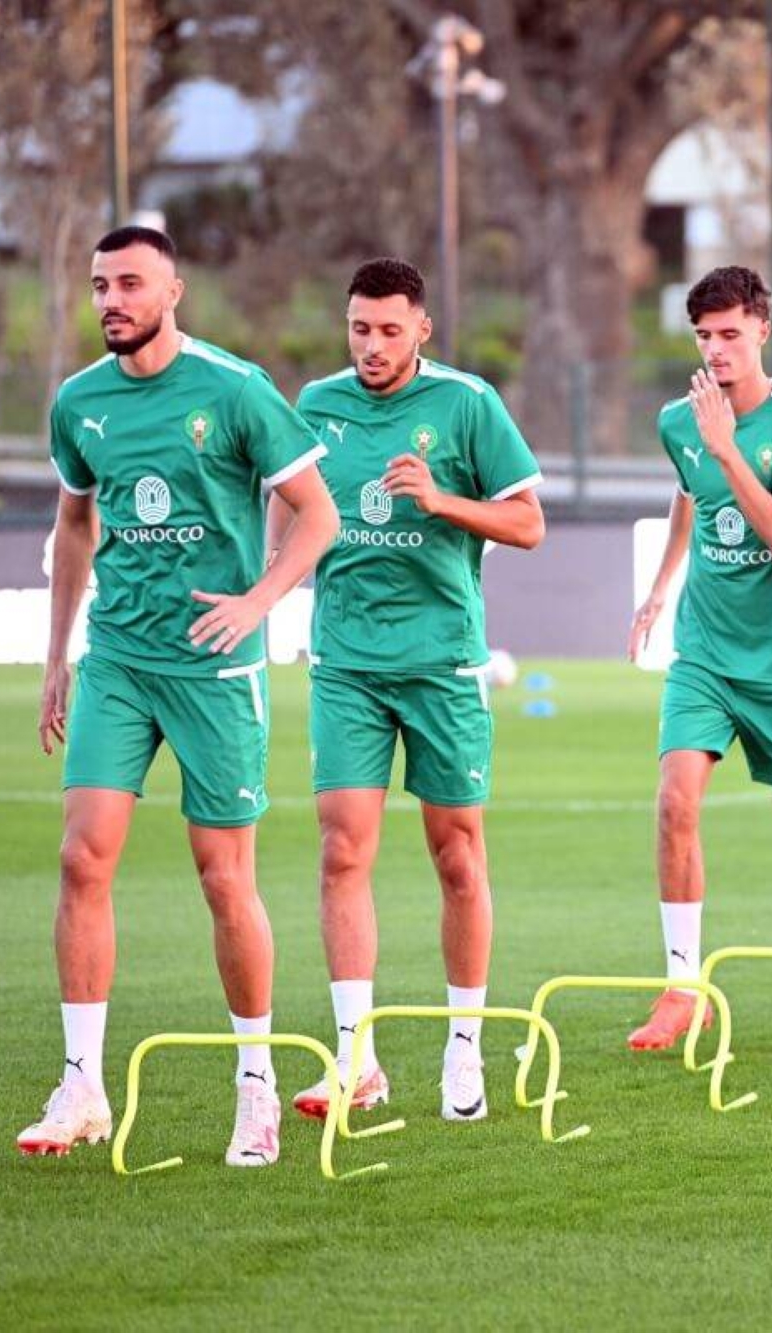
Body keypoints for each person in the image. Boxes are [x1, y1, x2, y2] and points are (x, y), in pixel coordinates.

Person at [21, 225, 339, 1164]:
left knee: (222, 876)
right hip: (119, 658)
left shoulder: (236, 390)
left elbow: (317, 512)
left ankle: (256, 1084)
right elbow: (74, 524)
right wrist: (57, 654)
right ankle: (81, 1084)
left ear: (174, 291)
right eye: (98, 285)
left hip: (215, 668)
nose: (111, 299)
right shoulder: (79, 403)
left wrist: (258, 601)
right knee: (83, 859)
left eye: (129, 283)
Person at [276, 258, 544, 1126]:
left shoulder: (467, 404)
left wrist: (442, 499)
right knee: (341, 851)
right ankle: (357, 1056)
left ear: (421, 329)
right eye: (360, 328)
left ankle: (463, 1048)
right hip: (347, 660)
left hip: (442, 663)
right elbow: (289, 514)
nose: (373, 346)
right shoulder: (315, 405)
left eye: (391, 330)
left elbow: (529, 522)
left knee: (456, 856)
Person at [626, 266, 772, 1058]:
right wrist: (660, 588)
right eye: (704, 337)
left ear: (762, 330)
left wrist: (727, 448)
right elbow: (690, 491)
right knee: (675, 801)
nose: (716, 351)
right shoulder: (679, 422)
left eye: (729, 334)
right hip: (705, 654)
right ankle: (684, 988)